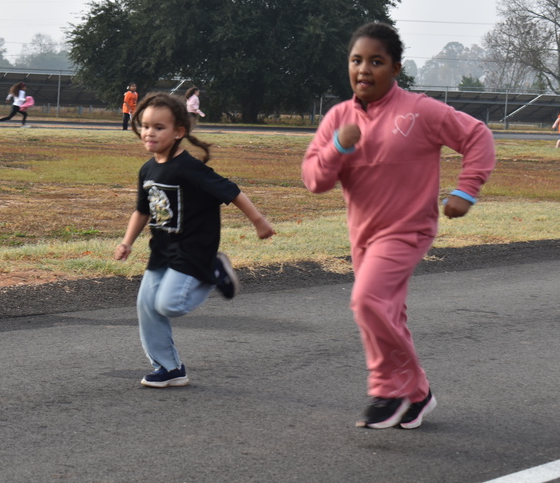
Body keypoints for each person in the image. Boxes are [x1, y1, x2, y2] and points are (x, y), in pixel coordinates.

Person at [301, 22, 495, 429]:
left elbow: (477, 136)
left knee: (366, 301)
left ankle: (387, 388)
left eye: (376, 61)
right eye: (356, 61)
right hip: (364, 235)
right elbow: (314, 181)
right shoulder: (338, 117)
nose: (364, 70)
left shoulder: (420, 110)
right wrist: (339, 146)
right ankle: (418, 393)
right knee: (385, 313)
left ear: (396, 68)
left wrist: (466, 191)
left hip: (409, 229)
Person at [115, 92, 275, 388]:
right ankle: (168, 368)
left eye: (159, 127)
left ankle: (213, 271)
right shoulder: (148, 170)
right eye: (146, 125)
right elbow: (142, 210)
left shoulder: (189, 168)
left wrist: (259, 221)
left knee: (169, 305)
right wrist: (127, 242)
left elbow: (231, 191)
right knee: (146, 305)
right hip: (162, 249)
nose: (150, 132)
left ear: (179, 132)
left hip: (194, 248)